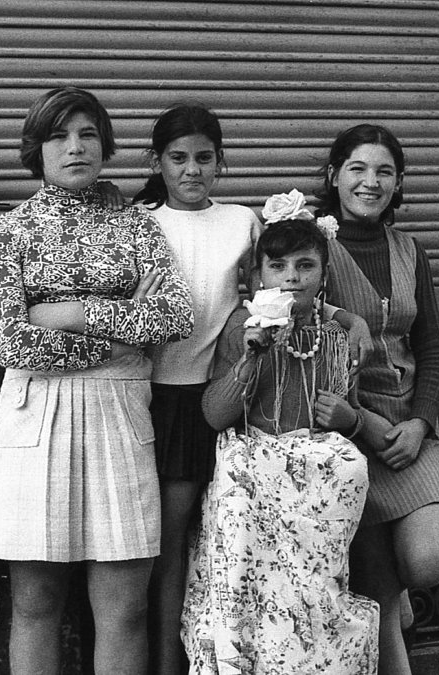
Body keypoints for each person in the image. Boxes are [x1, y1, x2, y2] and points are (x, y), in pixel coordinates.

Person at [134, 104, 375, 675]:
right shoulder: (141, 223)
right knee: (171, 544)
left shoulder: (241, 222)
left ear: (221, 161)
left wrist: (347, 318)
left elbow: (287, 289)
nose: (192, 170)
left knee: (229, 543)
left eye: (204, 158)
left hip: (230, 392)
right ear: (157, 161)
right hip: (163, 393)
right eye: (178, 158)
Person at [0, 86, 193, 675]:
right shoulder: (8, 233)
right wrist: (120, 333)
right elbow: (10, 342)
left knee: (124, 606)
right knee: (36, 604)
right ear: (36, 149)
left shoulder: (136, 226)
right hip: (35, 413)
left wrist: (69, 312)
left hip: (120, 413)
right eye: (59, 136)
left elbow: (174, 316)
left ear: (105, 145)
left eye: (88, 134)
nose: (75, 147)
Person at [182, 202, 380, 674]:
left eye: (305, 266)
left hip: (315, 482)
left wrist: (348, 417)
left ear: (324, 275)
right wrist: (251, 356)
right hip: (255, 469)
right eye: (278, 266)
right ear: (258, 276)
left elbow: (348, 407)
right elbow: (215, 415)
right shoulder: (242, 329)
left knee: (313, 592)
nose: (291, 277)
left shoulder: (338, 337)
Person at [316, 123, 439, 675]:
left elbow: (432, 347)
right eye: (357, 169)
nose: (370, 182)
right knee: (378, 594)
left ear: (397, 183)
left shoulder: (409, 250)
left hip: (410, 430)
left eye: (384, 172)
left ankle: (400, 595)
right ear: (334, 176)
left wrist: (421, 423)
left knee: (426, 565)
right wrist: (359, 424)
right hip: (345, 430)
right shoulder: (312, 246)